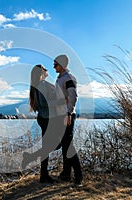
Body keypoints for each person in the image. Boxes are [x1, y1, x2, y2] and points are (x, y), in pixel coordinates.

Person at [22, 64, 66, 183]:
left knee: (47, 147)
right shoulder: (41, 84)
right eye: (44, 69)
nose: (47, 70)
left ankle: (43, 175)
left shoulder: (39, 85)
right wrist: (61, 101)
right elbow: (43, 103)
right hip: (47, 119)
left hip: (45, 118)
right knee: (56, 145)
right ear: (41, 73)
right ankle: (33, 160)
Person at [53, 54, 83, 186]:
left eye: (56, 64)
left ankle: (78, 177)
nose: (54, 66)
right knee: (65, 146)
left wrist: (68, 113)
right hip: (60, 115)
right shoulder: (59, 78)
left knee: (68, 146)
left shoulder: (69, 78)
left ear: (63, 65)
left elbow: (73, 97)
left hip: (67, 115)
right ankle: (66, 174)